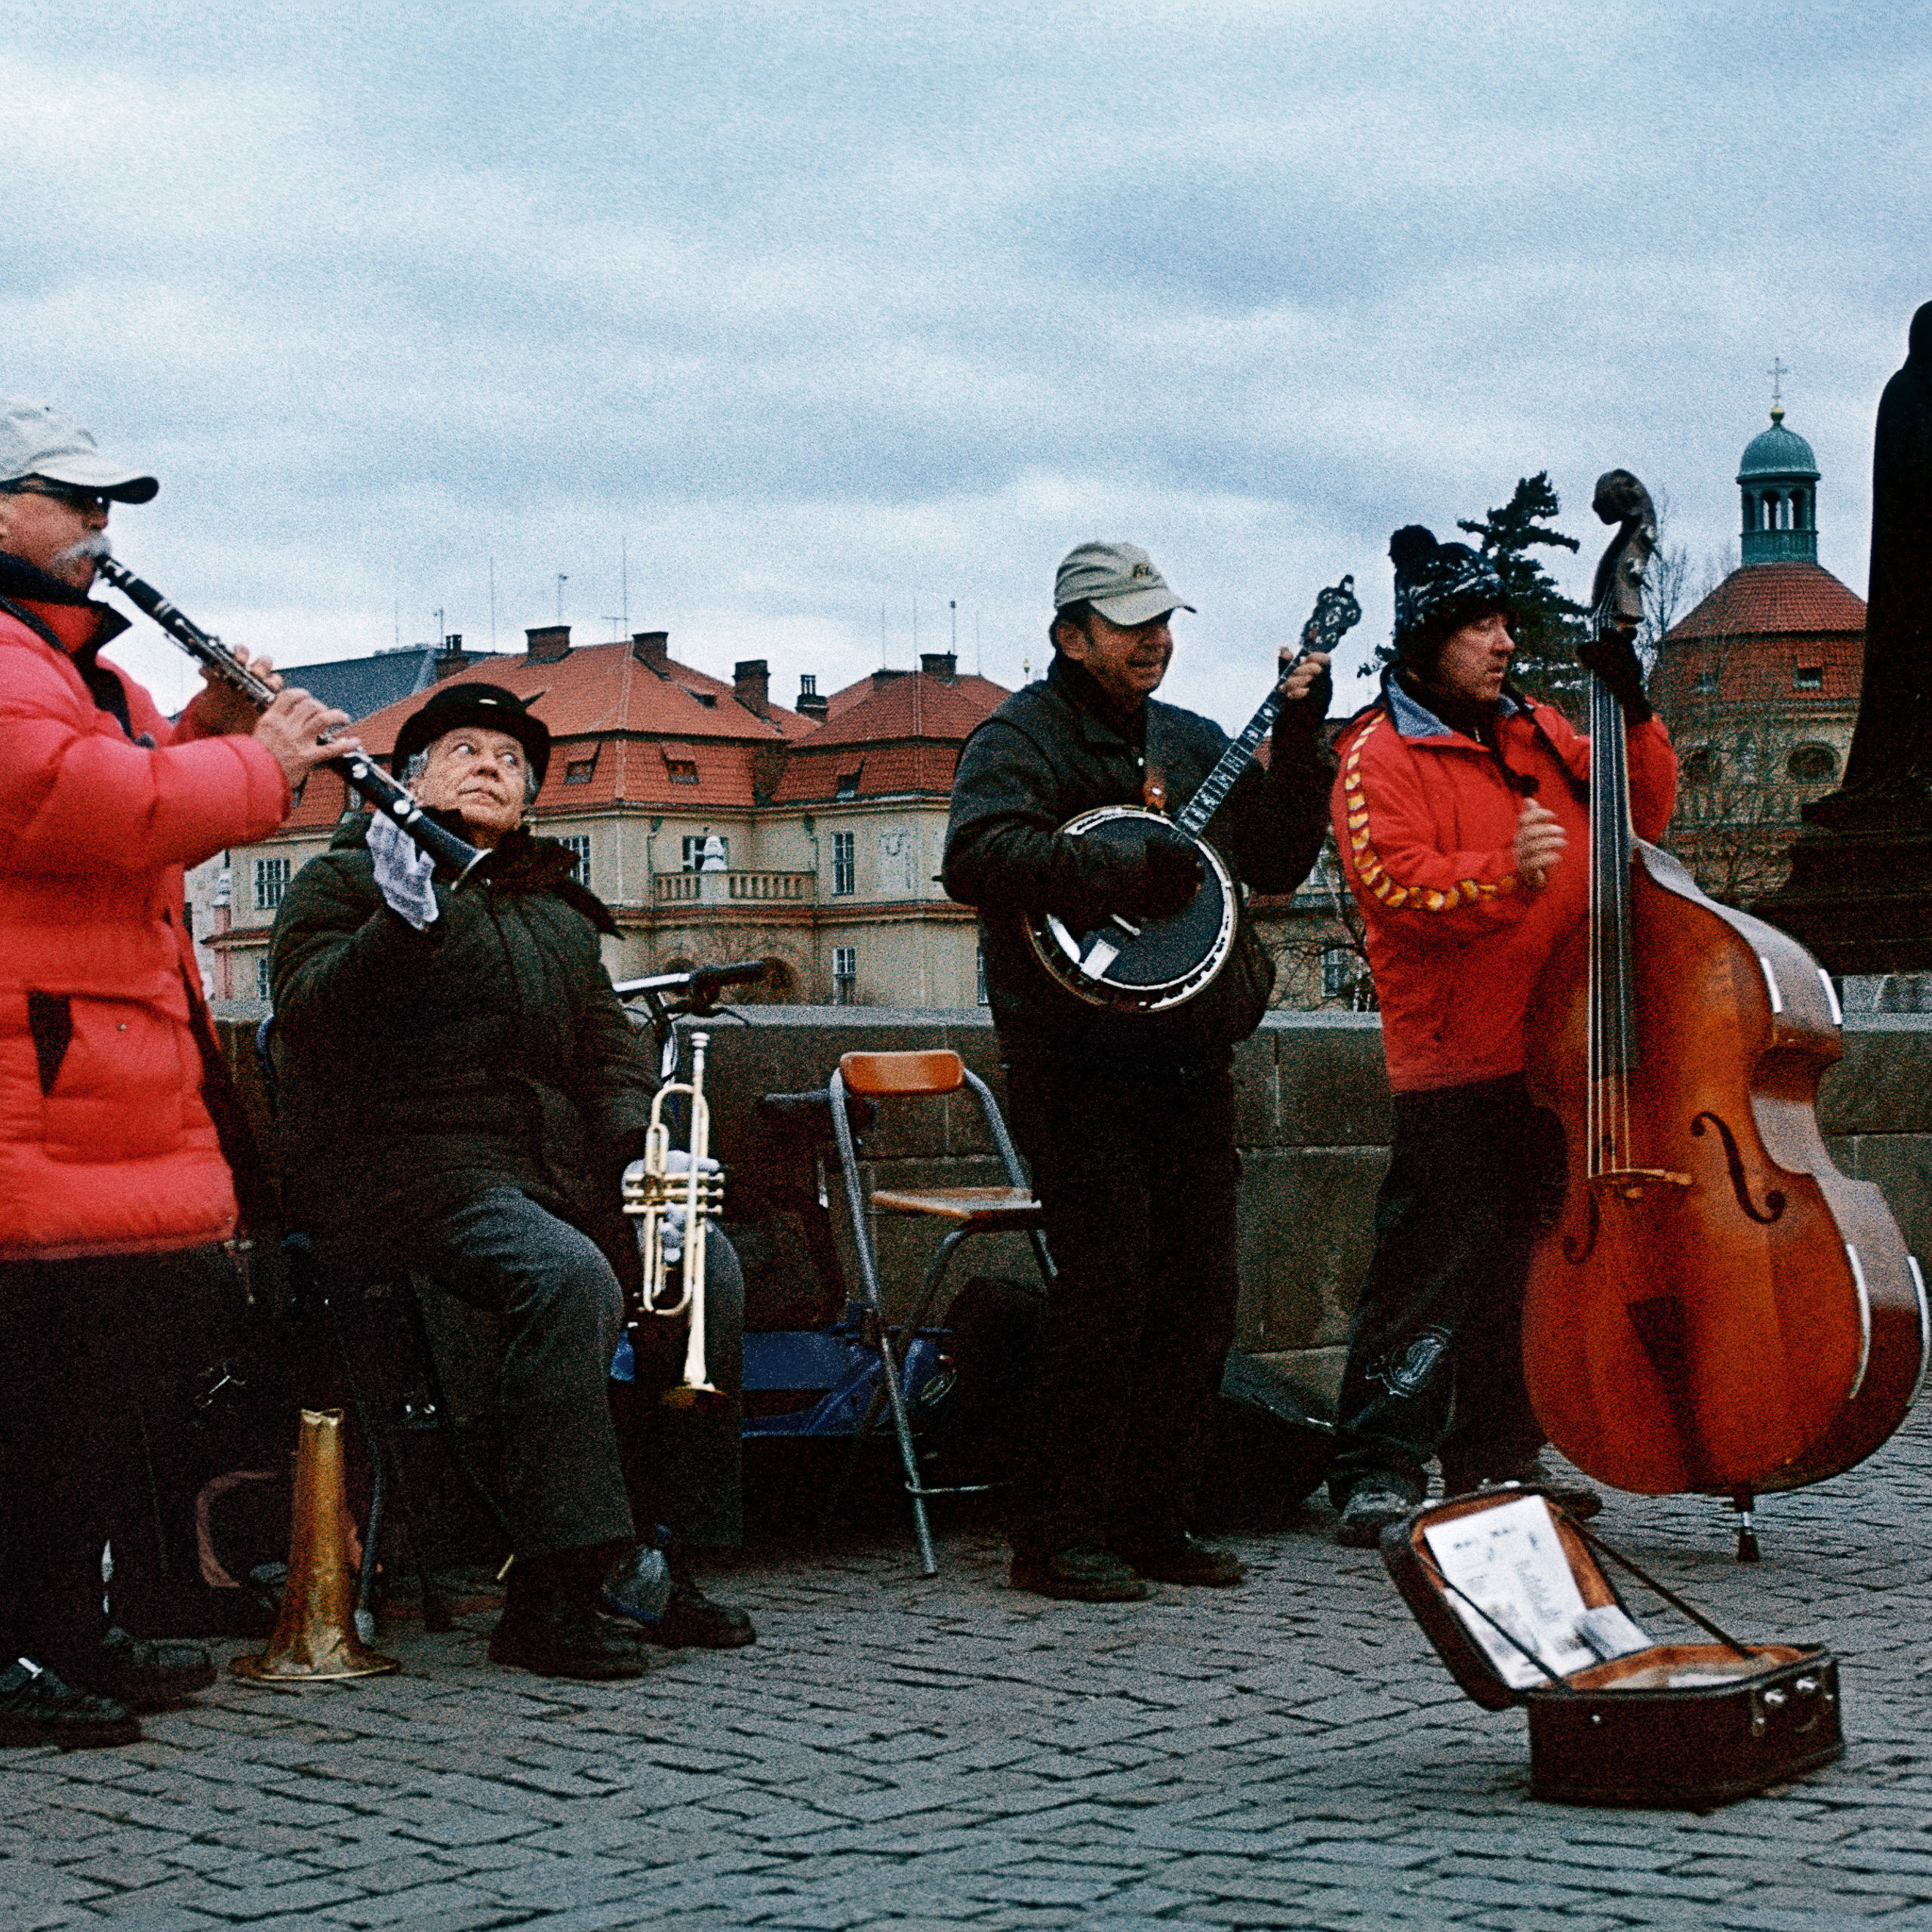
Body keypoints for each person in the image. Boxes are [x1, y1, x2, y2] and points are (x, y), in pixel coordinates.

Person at [268, 680, 751, 1680]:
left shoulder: (557, 909)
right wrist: (399, 928)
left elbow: (606, 1061)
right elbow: (311, 1019)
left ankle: (654, 1551)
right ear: (407, 782)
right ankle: (550, 1589)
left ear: (531, 799)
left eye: (511, 759)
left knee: (702, 1261)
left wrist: (644, 1155)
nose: (491, 764)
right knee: (566, 1279)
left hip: (546, 1171)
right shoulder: (347, 881)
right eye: (463, 749)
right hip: (407, 1168)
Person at [0, 398, 350, 1746]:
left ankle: (60, 1629)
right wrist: (249, 765)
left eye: (109, 508)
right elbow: (64, 804)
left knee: (80, 1392)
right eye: (76, 501)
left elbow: (139, 810)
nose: (102, 527)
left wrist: (209, 722)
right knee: (24, 1392)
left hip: (88, 1076)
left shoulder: (78, 659)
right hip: (32, 1073)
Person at [943, 541, 1334, 1601]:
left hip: (1184, 1054)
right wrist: (1110, 864)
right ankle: (1060, 1536)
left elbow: (1283, 856)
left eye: (1164, 622)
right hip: (1072, 1063)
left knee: (1198, 1296)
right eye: (1130, 626)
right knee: (1107, 1293)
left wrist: (1303, 732)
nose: (1156, 641)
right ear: (1073, 636)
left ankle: (1158, 1520)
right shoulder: (1017, 738)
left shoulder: (1191, 740)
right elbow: (975, 856)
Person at [1325, 525, 1677, 1548]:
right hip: (1454, 1058)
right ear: (1428, 644)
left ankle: (1499, 1454)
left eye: (1507, 622)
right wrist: (1504, 878)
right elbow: (1393, 890)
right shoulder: (1375, 754)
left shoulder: (1536, 728)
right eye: (1480, 625)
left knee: (1530, 1265)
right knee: (1432, 1266)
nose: (1504, 642)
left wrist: (1633, 712)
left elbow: (1643, 816)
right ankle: (1376, 1466)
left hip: (1562, 1056)